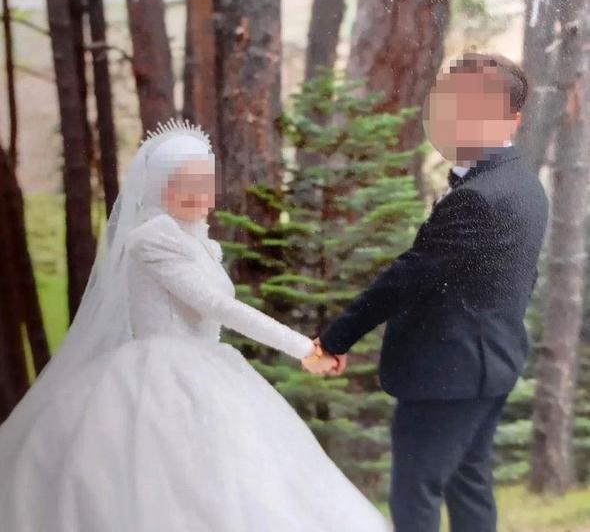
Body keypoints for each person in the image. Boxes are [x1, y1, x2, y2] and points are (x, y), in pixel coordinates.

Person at [0, 119, 390, 532]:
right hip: (162, 373)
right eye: (184, 184)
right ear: (159, 187)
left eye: (205, 183)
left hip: (208, 365)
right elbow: (217, 305)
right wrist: (304, 349)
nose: (199, 195)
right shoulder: (153, 238)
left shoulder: (197, 242)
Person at [315, 53, 549, 532]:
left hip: (449, 370)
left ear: (511, 118)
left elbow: (410, 275)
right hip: (491, 363)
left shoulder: (480, 195)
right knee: (469, 482)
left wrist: (336, 338)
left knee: (415, 491)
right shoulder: (524, 184)